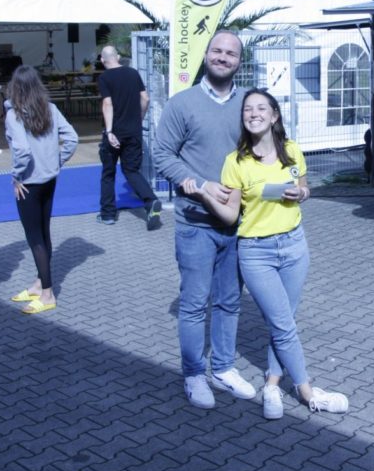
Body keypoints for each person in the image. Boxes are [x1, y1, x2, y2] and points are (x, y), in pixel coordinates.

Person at [196, 88, 349, 420]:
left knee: (286, 322)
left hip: (294, 246)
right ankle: (308, 393)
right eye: (248, 109)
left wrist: (302, 193)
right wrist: (205, 195)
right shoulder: (235, 162)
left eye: (261, 108)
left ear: (274, 115)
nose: (254, 114)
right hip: (256, 252)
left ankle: (272, 385)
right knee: (282, 324)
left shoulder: (291, 150)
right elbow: (230, 215)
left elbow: (305, 187)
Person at [154, 30, 256, 409]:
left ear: (239, 62)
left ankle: (224, 368)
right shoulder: (182, 104)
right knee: (195, 303)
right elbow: (162, 154)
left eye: (231, 53)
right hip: (196, 223)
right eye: (217, 50)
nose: (223, 57)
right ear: (206, 54)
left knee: (229, 301)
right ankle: (194, 373)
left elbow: (267, 149)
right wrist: (198, 185)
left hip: (239, 224)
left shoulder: (249, 104)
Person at [4, 65, 78, 314]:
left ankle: (47, 294)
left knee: (35, 237)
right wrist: (57, 161)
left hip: (29, 183)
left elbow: (23, 151)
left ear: (15, 87)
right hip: (49, 179)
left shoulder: (14, 115)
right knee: (44, 233)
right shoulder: (50, 109)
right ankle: (40, 283)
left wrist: (16, 176)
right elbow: (72, 138)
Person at [97, 45, 162, 229]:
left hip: (115, 132)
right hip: (133, 131)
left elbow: (107, 104)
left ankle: (108, 214)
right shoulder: (133, 73)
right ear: (118, 57)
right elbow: (145, 98)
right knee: (131, 170)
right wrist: (139, 118)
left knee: (108, 173)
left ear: (102, 60)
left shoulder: (104, 77)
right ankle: (150, 201)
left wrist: (109, 131)